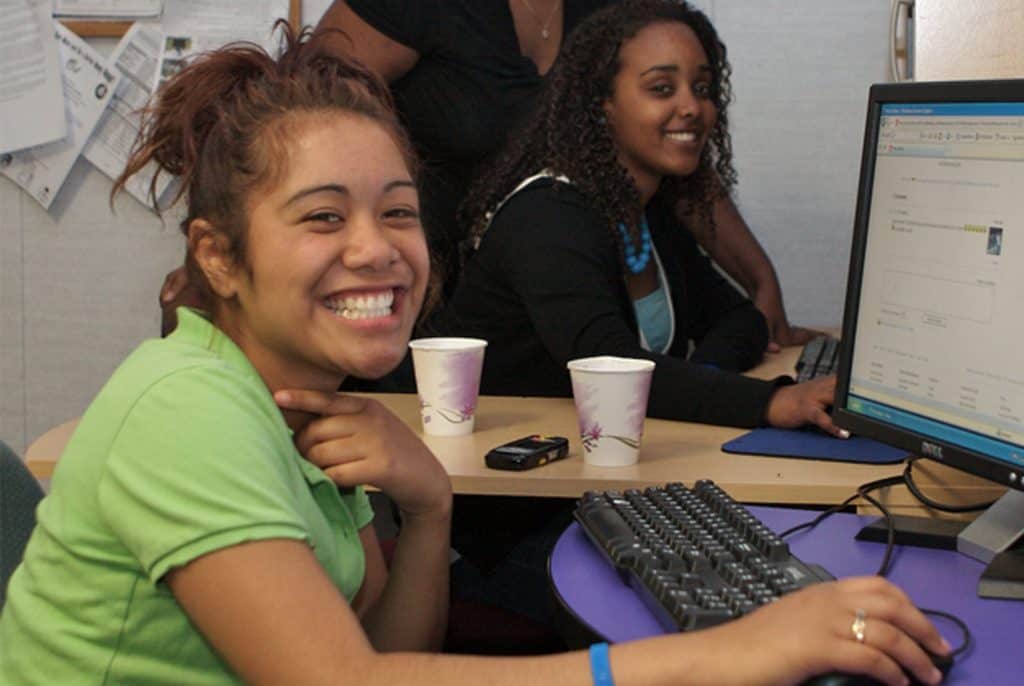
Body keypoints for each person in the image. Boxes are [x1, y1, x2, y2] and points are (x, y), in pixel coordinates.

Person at [0, 20, 951, 686]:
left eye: (400, 212)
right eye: (323, 216)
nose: (377, 248)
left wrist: (428, 503)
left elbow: (378, 653)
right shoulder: (189, 407)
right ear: (220, 256)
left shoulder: (304, 406)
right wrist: (734, 653)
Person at [159, 0, 814, 350]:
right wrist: (223, 258)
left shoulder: (621, 10)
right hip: (400, 292)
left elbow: (680, 149)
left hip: (545, 316)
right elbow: (290, 119)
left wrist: (762, 282)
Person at [440, 0, 838, 434]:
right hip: (501, 484)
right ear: (602, 103)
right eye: (662, 88)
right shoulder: (547, 218)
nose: (692, 107)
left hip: (596, 462)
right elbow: (611, 371)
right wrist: (772, 401)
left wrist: (692, 382)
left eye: (702, 88)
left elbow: (740, 320)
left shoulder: (645, 211)